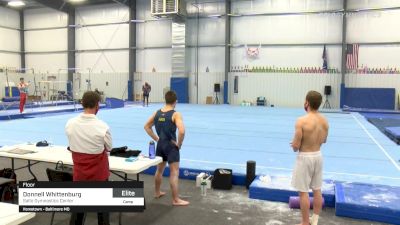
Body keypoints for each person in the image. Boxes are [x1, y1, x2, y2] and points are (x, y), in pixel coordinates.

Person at [65, 91, 112, 225]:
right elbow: (108, 148)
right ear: (98, 105)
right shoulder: (103, 127)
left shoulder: (70, 124)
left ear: (82, 103)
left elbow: (72, 144)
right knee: (102, 210)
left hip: (80, 175)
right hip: (99, 176)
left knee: (78, 211)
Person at [144, 90, 189, 206]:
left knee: (159, 170)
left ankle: (157, 192)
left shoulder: (157, 113)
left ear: (165, 100)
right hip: (171, 146)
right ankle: (175, 199)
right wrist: (179, 144)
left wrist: (157, 139)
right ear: (175, 101)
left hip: (160, 145)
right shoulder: (175, 114)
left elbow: (147, 126)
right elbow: (182, 131)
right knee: (174, 172)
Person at [290, 90, 329, 225]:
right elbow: (324, 140)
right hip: (318, 155)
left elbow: (296, 147)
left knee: (303, 192)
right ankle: (315, 220)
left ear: (307, 102)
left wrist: (294, 144)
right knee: (317, 189)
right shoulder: (324, 121)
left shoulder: (301, 121)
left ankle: (305, 222)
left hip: (305, 157)